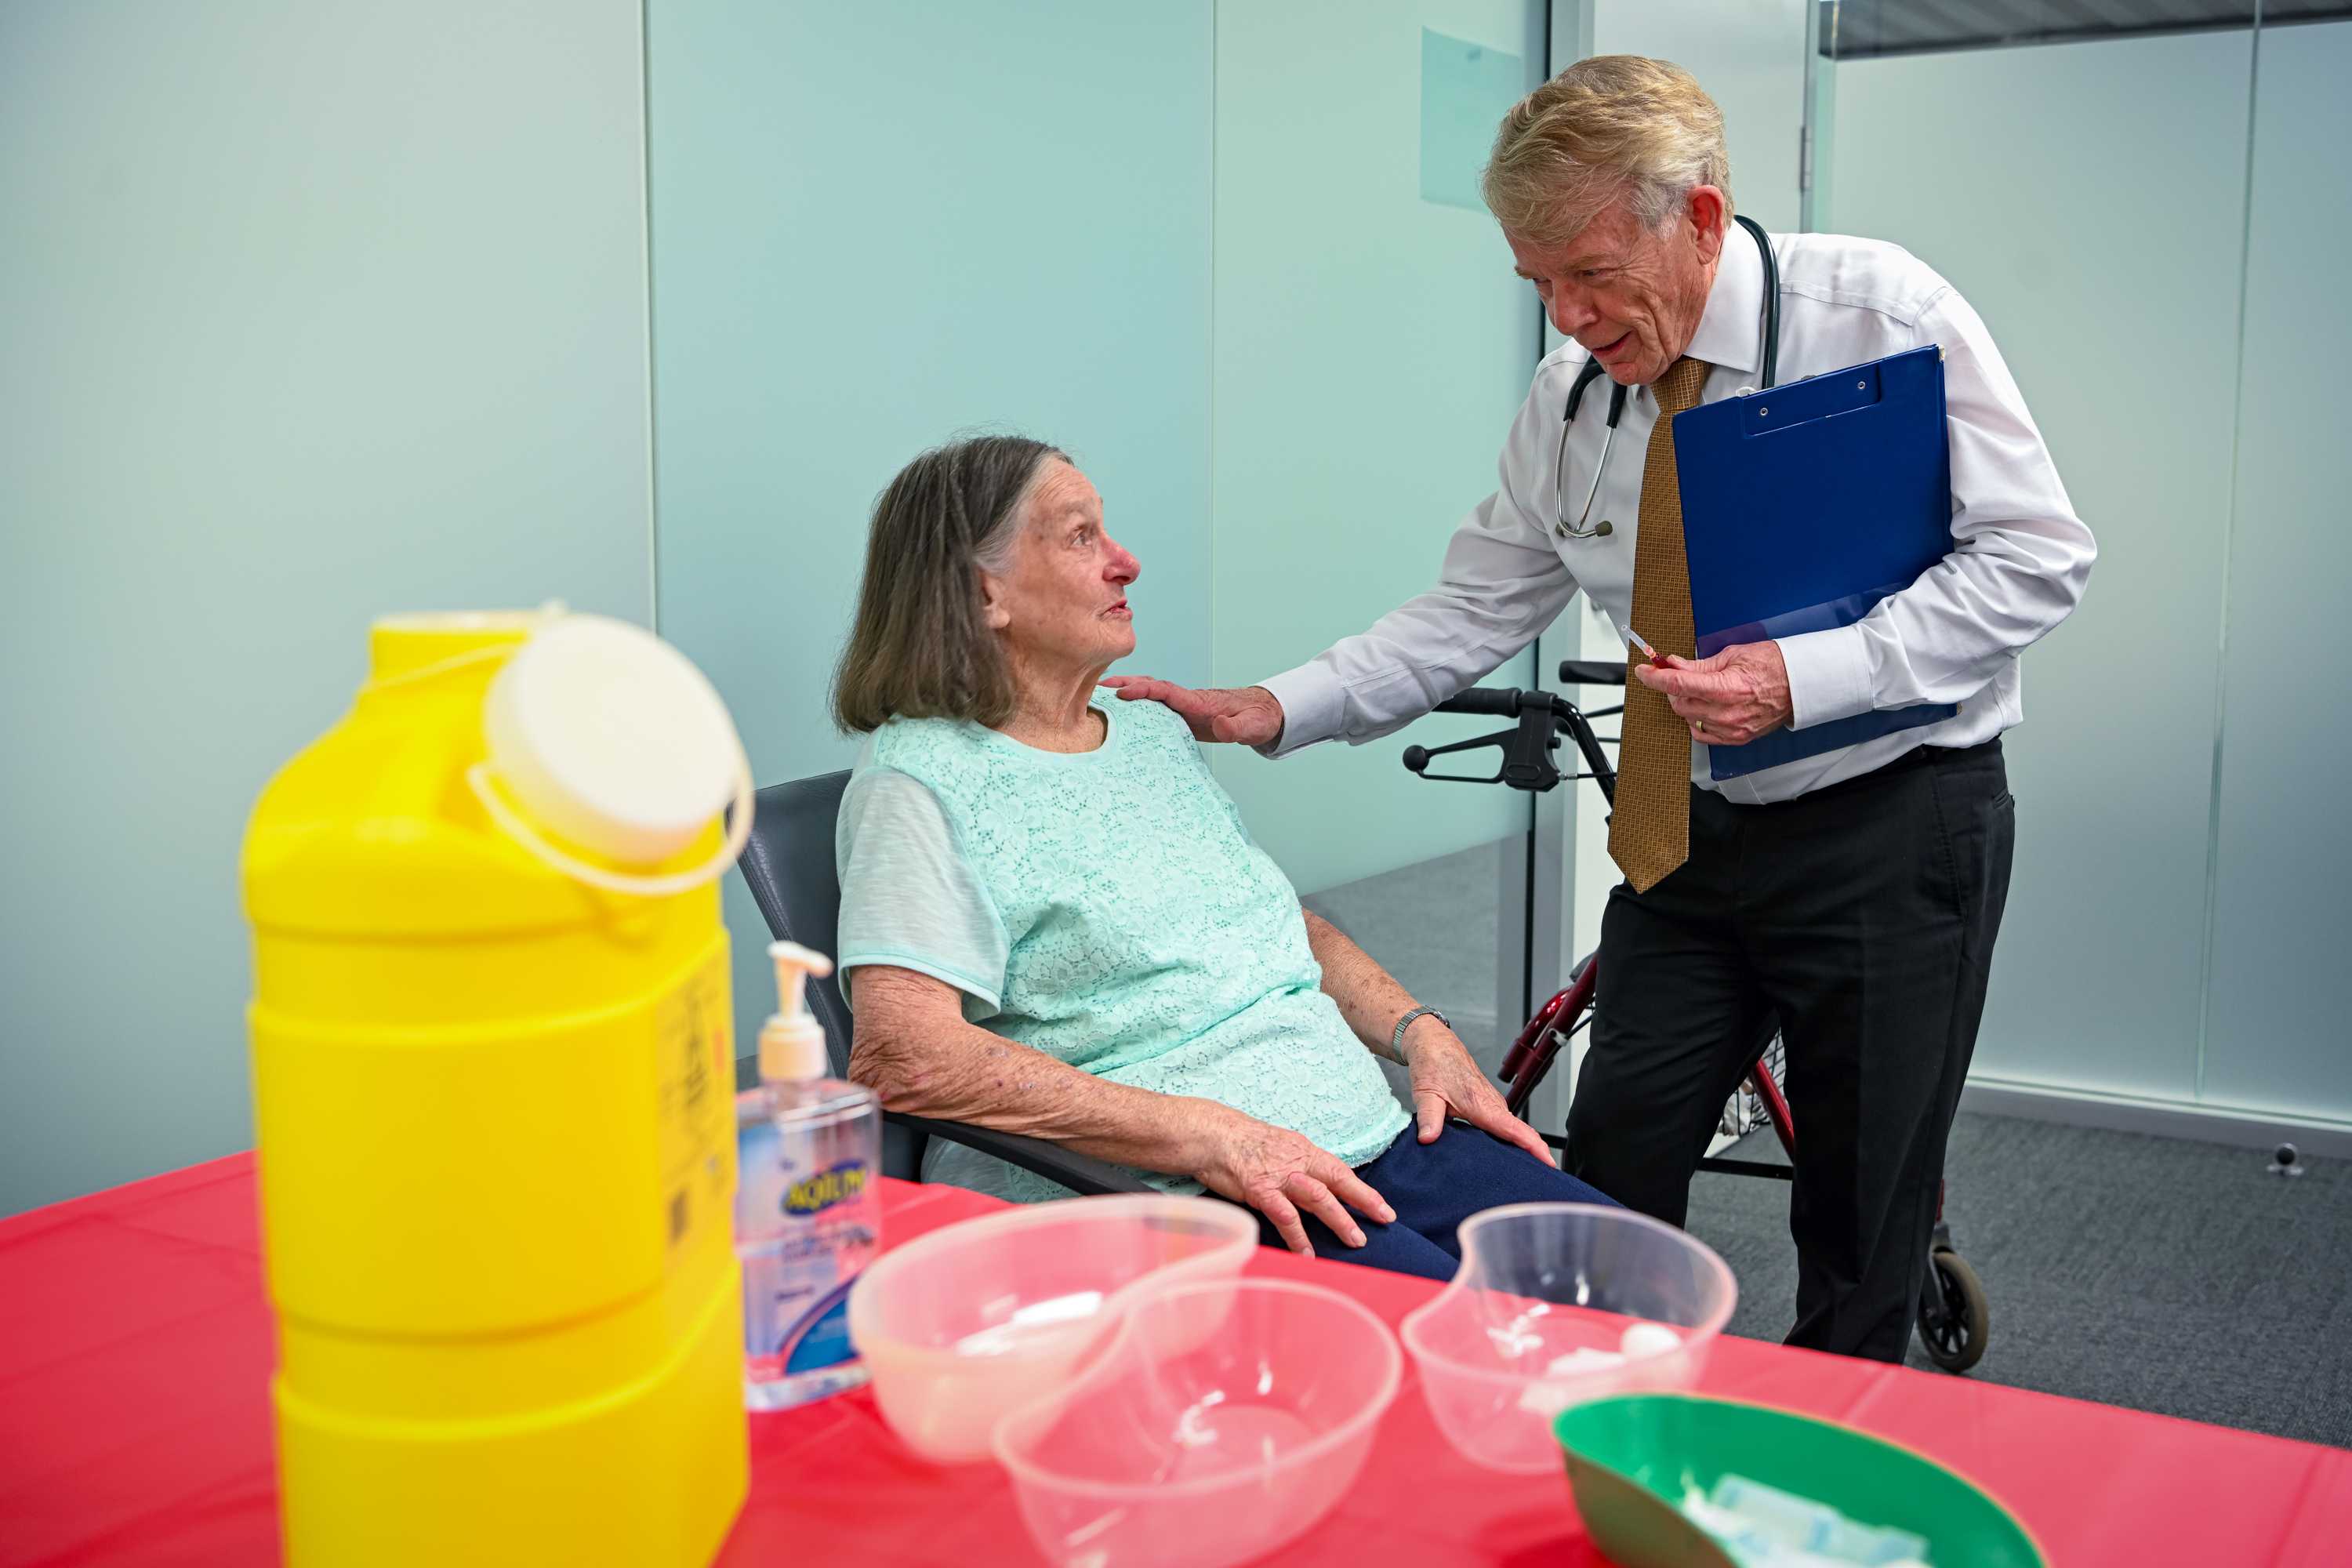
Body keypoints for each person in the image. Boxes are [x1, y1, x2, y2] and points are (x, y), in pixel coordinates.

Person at [1108, 57, 2095, 1359]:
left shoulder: (1880, 317)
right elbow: (1471, 609)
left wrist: (1804, 679)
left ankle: (1816, 1459)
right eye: (1538, 284)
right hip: (1688, 836)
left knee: (1863, 1213)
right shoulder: (1569, 401)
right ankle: (1596, 1424)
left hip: (1891, 823)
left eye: (1589, 273)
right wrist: (1275, 707)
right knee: (1609, 1160)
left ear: (1698, 217)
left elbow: (2036, 557)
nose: (1568, 318)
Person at [826, 434, 1617, 1281]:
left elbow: (1274, 926)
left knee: (1622, 1273)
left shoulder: (1148, 733)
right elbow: (905, 1056)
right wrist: (1212, 1134)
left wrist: (1421, 1033)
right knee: (1482, 1336)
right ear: (986, 593)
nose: (1126, 562)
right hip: (1171, 1193)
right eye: (1081, 536)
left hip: (1348, 1137)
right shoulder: (921, 780)